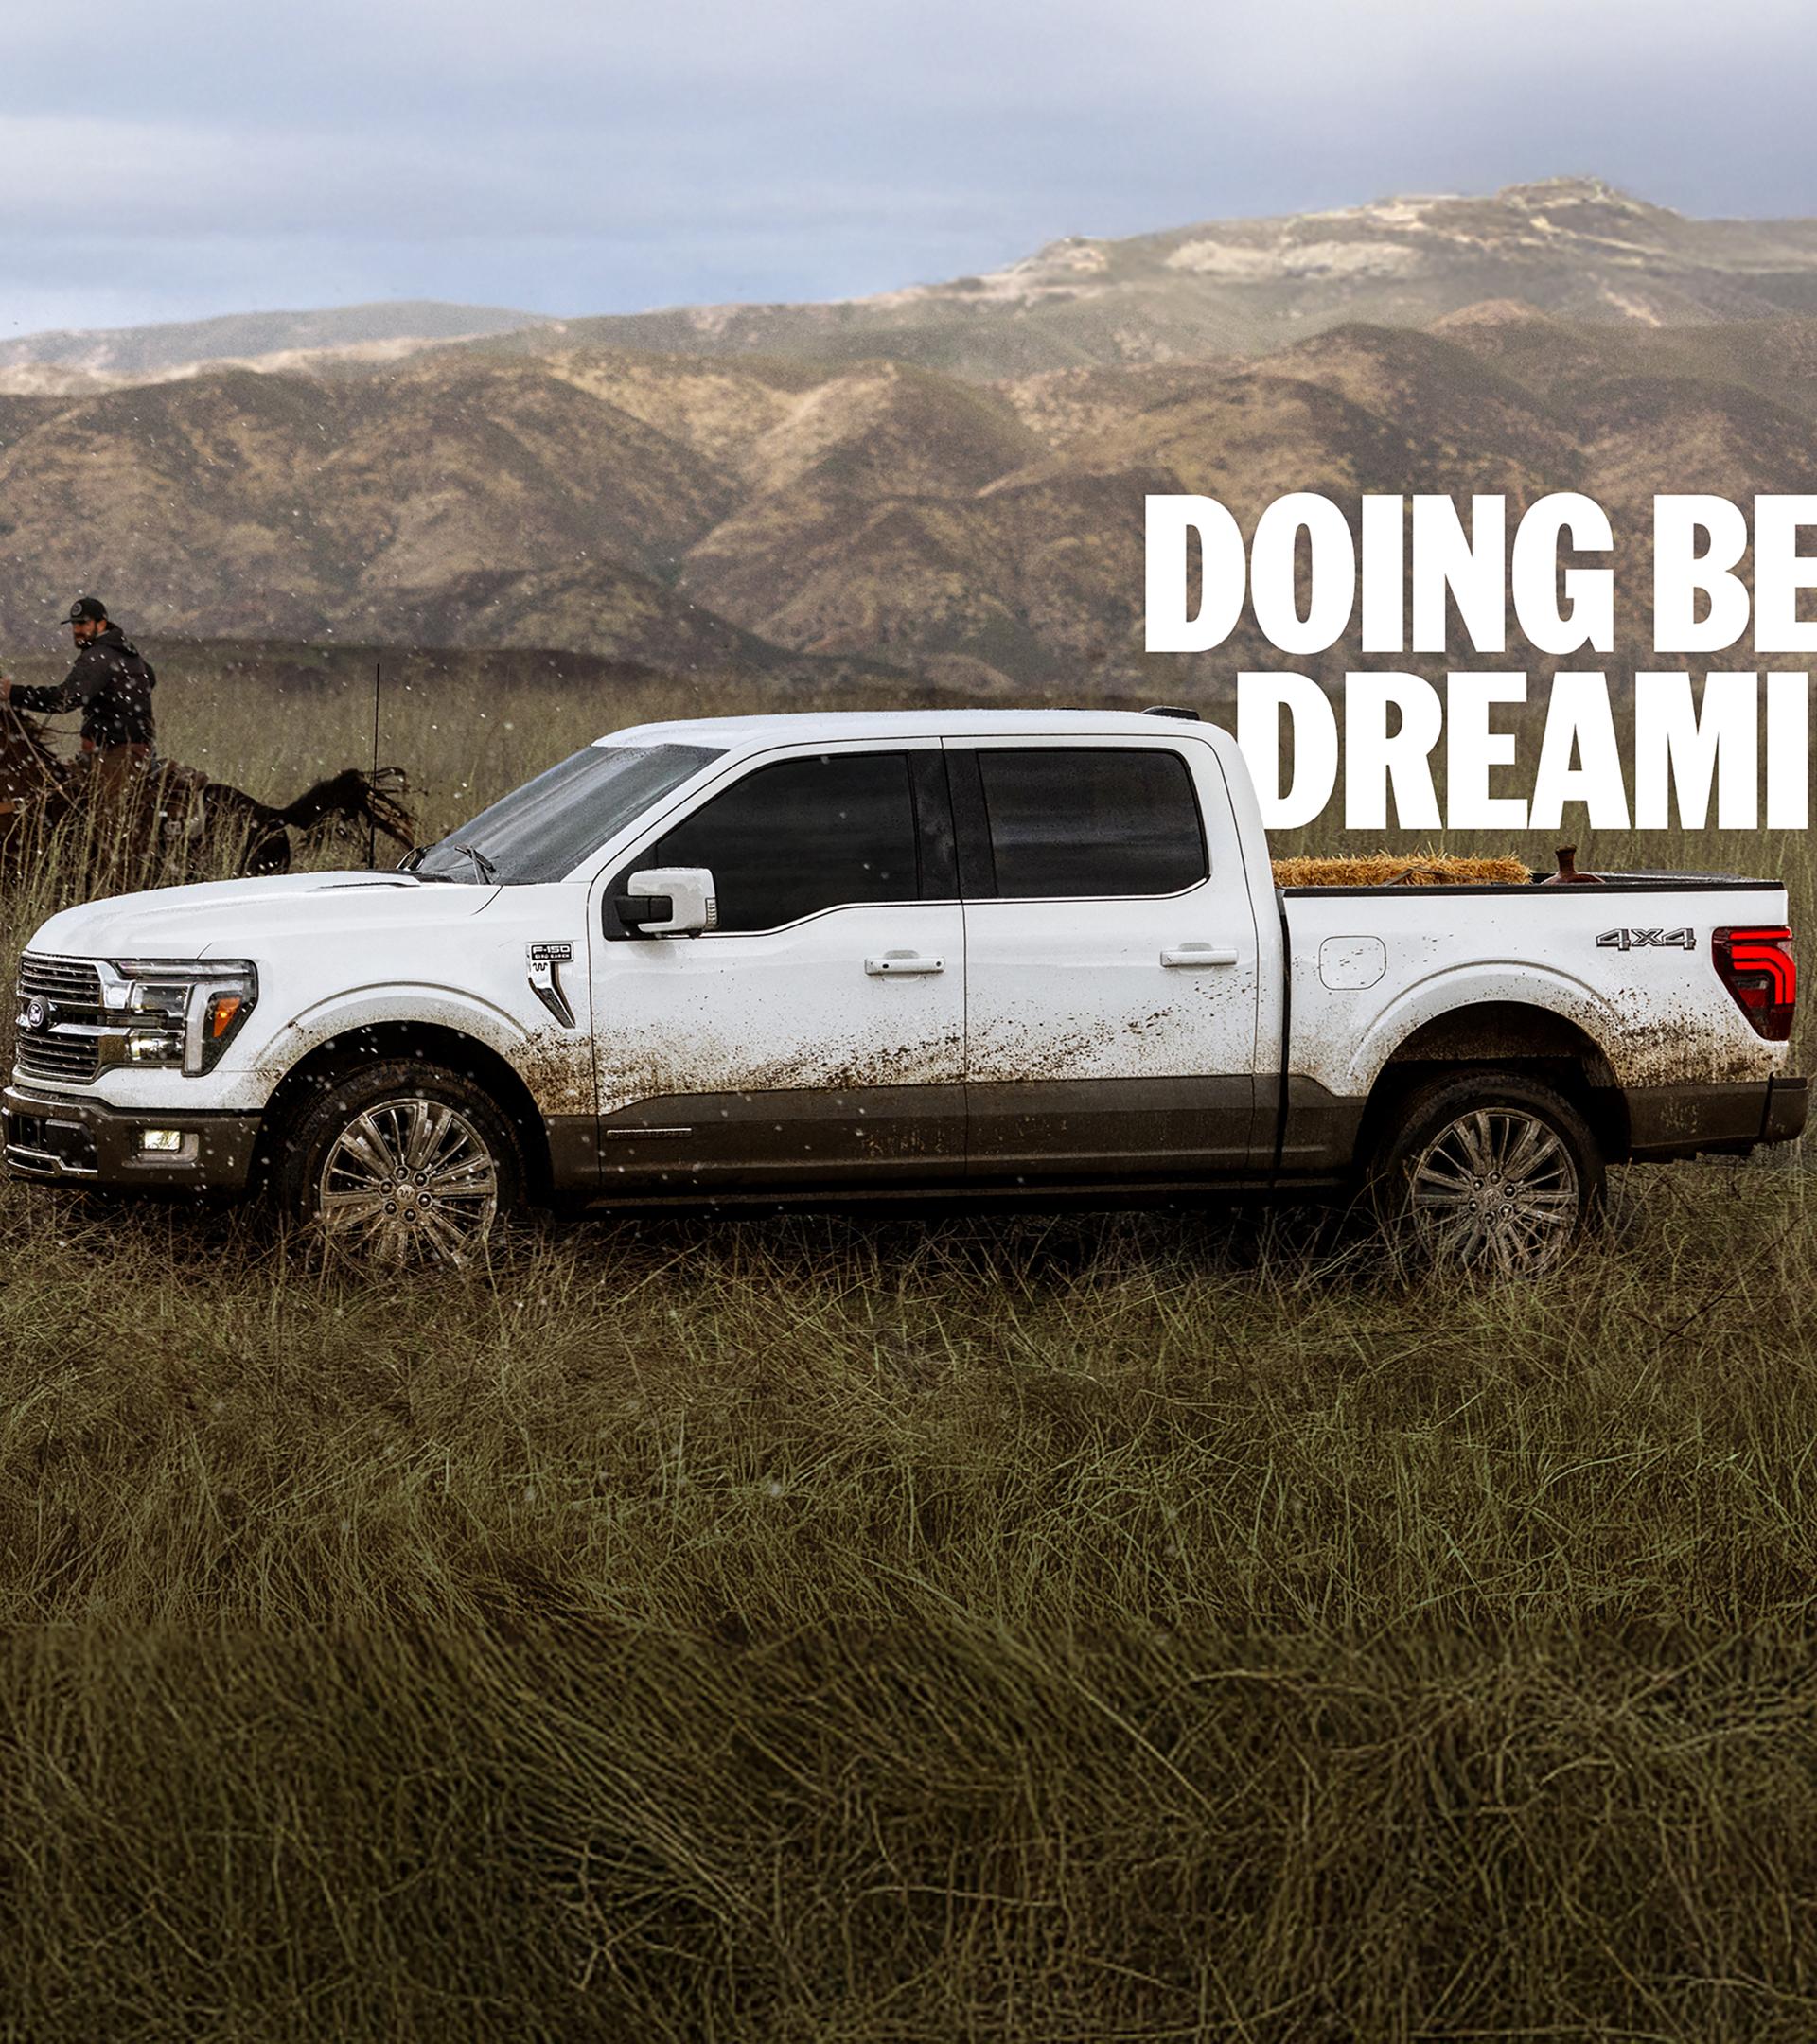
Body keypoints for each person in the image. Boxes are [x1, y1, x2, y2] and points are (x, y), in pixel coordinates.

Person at [6, 596, 158, 800]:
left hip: (118, 756)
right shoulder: (125, 651)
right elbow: (150, 678)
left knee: (98, 814)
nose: (77, 630)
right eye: (74, 624)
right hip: (125, 753)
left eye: (83, 624)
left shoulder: (99, 656)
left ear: (101, 623)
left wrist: (12, 693)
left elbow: (64, 700)